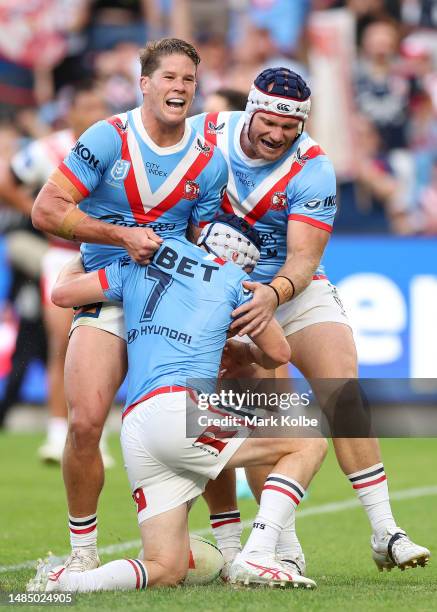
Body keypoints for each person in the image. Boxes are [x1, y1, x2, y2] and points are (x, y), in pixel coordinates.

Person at [189, 67, 430, 573]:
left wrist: (271, 296)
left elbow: (303, 258)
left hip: (290, 289)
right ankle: (279, 546)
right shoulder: (204, 135)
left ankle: (385, 531)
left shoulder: (314, 166)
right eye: (270, 123)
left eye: (290, 126)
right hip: (220, 293)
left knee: (344, 390)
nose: (278, 134)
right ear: (250, 111)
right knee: (262, 413)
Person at [28, 215, 325, 592]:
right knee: (308, 443)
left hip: (137, 427)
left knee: (165, 567)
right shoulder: (236, 281)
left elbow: (63, 295)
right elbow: (279, 352)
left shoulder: (142, 258)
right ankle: (259, 553)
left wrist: (76, 262)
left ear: (203, 236)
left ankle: (65, 585)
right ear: (245, 261)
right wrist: (243, 351)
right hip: (181, 413)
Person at [31, 38, 228, 572]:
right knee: (87, 422)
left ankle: (232, 546)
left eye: (188, 80)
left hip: (168, 306)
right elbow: (46, 210)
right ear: (144, 83)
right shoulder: (108, 139)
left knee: (197, 420)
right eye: (168, 78)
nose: (179, 88)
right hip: (109, 290)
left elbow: (204, 240)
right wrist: (121, 238)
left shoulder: (208, 163)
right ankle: (81, 555)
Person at [0, 80, 108, 462]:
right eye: (88, 107)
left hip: (109, 254)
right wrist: (42, 214)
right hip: (63, 253)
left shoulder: (118, 144)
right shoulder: (50, 149)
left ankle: (100, 435)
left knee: (109, 343)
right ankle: (57, 430)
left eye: (100, 106)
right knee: (61, 340)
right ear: (71, 112)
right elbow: (6, 182)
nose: (96, 114)